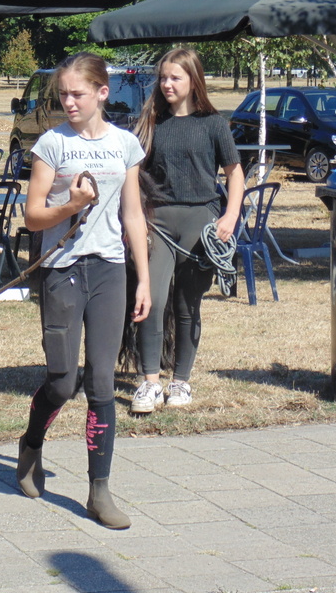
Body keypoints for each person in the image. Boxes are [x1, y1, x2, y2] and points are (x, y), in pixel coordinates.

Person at [15, 52, 151, 530]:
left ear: (102, 93)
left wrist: (143, 279)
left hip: (109, 270)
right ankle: (31, 443)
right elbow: (33, 217)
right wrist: (70, 206)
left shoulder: (125, 144)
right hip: (62, 270)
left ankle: (99, 491)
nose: (68, 102)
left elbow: (133, 215)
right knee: (60, 381)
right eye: (63, 95)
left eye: (77, 94)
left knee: (100, 383)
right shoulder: (51, 144)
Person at [129, 48, 244, 414]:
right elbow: (133, 174)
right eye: (163, 77)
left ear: (194, 81)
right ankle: (150, 382)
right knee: (151, 299)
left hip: (201, 221)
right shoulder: (151, 122)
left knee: (186, 304)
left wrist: (230, 216)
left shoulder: (214, 124)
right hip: (158, 222)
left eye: (175, 78)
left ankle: (180, 381)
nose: (167, 84)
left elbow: (235, 173)